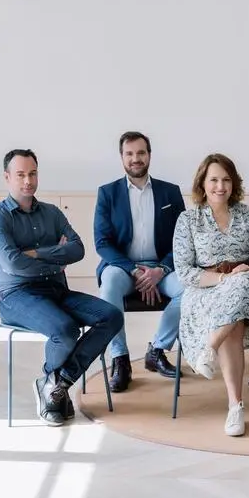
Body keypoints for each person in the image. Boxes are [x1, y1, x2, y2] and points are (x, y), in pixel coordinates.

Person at [0, 149, 123, 426]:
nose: (28, 181)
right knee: (64, 330)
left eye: (32, 174)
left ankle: (54, 381)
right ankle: (55, 388)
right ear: (7, 177)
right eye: (20, 175)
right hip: (16, 296)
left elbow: (78, 249)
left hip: (57, 291)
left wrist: (35, 253)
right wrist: (55, 259)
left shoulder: (52, 213)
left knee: (112, 316)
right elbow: (13, 264)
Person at [172, 153, 249, 437]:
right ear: (202, 183)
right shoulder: (188, 219)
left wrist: (248, 272)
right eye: (214, 180)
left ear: (234, 183)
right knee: (235, 313)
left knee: (240, 289)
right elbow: (184, 271)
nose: (221, 186)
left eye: (226, 180)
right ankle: (235, 406)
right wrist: (223, 279)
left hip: (246, 288)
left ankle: (209, 349)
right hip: (204, 291)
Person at [94, 131, 186, 392]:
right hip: (123, 268)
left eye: (141, 153)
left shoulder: (170, 192)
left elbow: (182, 241)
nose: (136, 158)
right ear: (122, 157)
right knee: (109, 283)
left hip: (162, 267)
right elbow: (102, 243)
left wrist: (160, 270)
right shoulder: (108, 193)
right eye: (130, 153)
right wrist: (134, 271)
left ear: (149, 155)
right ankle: (120, 359)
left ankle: (157, 350)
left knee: (189, 288)